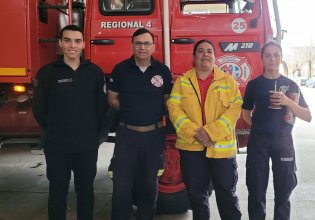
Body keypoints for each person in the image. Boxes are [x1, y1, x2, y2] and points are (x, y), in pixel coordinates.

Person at [32, 25, 107, 220]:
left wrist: (93, 137)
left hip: (86, 146)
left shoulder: (95, 72)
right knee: (57, 192)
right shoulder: (47, 73)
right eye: (67, 40)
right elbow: (39, 110)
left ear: (83, 45)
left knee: (85, 192)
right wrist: (56, 130)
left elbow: (101, 108)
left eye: (77, 41)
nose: (72, 45)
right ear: (60, 43)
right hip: (57, 146)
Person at [167, 39, 242, 220]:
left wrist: (210, 132)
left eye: (209, 51)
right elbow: (174, 110)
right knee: (197, 197)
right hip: (192, 150)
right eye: (201, 51)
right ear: (194, 57)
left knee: (227, 196)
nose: (205, 54)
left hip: (222, 152)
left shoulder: (228, 81)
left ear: (215, 57)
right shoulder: (182, 82)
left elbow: (235, 109)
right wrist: (197, 133)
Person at [107, 28, 173, 220]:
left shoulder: (162, 71)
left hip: (154, 135)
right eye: (138, 43)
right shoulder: (120, 69)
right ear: (132, 45)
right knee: (121, 184)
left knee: (149, 183)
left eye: (146, 43)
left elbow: (168, 101)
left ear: (153, 46)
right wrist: (132, 111)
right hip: (127, 134)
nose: (142, 47)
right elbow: (112, 99)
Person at [242, 41, 312, 220]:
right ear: (262, 59)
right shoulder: (254, 85)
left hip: (283, 141)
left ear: (281, 58)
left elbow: (307, 116)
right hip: (258, 142)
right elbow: (245, 114)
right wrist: (259, 129)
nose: (272, 59)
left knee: (283, 191)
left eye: (276, 55)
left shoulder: (291, 85)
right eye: (268, 55)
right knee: (256, 190)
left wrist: (287, 102)